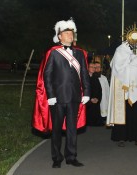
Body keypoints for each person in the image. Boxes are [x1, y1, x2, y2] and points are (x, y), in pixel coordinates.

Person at [32, 19, 90, 168]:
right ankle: (57, 158)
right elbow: (47, 75)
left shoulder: (80, 53)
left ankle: (71, 156)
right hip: (57, 98)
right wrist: (50, 95)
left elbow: (84, 74)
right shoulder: (53, 53)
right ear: (59, 37)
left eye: (71, 33)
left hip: (75, 97)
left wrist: (87, 92)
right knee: (56, 130)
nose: (70, 35)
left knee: (72, 129)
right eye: (66, 33)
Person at [86, 62, 103, 126]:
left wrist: (98, 98)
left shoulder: (95, 77)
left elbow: (99, 89)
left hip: (96, 100)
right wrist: (90, 99)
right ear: (87, 68)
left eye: (94, 67)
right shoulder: (85, 77)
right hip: (88, 101)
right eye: (92, 67)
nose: (93, 68)